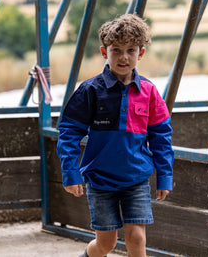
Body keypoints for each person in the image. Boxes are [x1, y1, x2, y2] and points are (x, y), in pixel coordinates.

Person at [57, 14, 174, 257]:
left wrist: (164, 176)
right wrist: (71, 173)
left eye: (131, 50)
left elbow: (162, 136)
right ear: (104, 51)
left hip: (136, 178)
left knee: (137, 239)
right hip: (100, 180)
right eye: (116, 50)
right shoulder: (90, 91)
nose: (124, 57)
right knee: (106, 244)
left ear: (140, 53)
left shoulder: (150, 93)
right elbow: (68, 134)